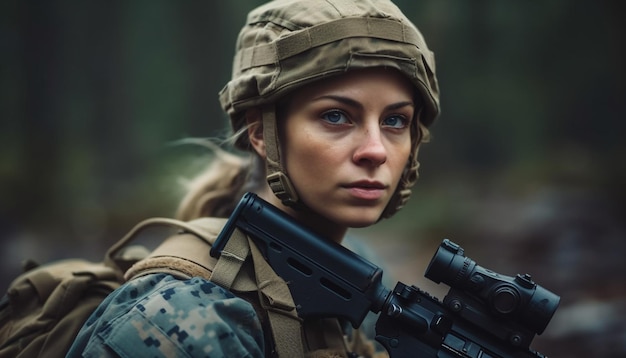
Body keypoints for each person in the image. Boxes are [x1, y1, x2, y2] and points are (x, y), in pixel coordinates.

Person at [67, 0, 440, 357]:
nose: (375, 150)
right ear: (262, 132)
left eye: (395, 120)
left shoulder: (360, 275)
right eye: (336, 116)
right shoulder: (183, 321)